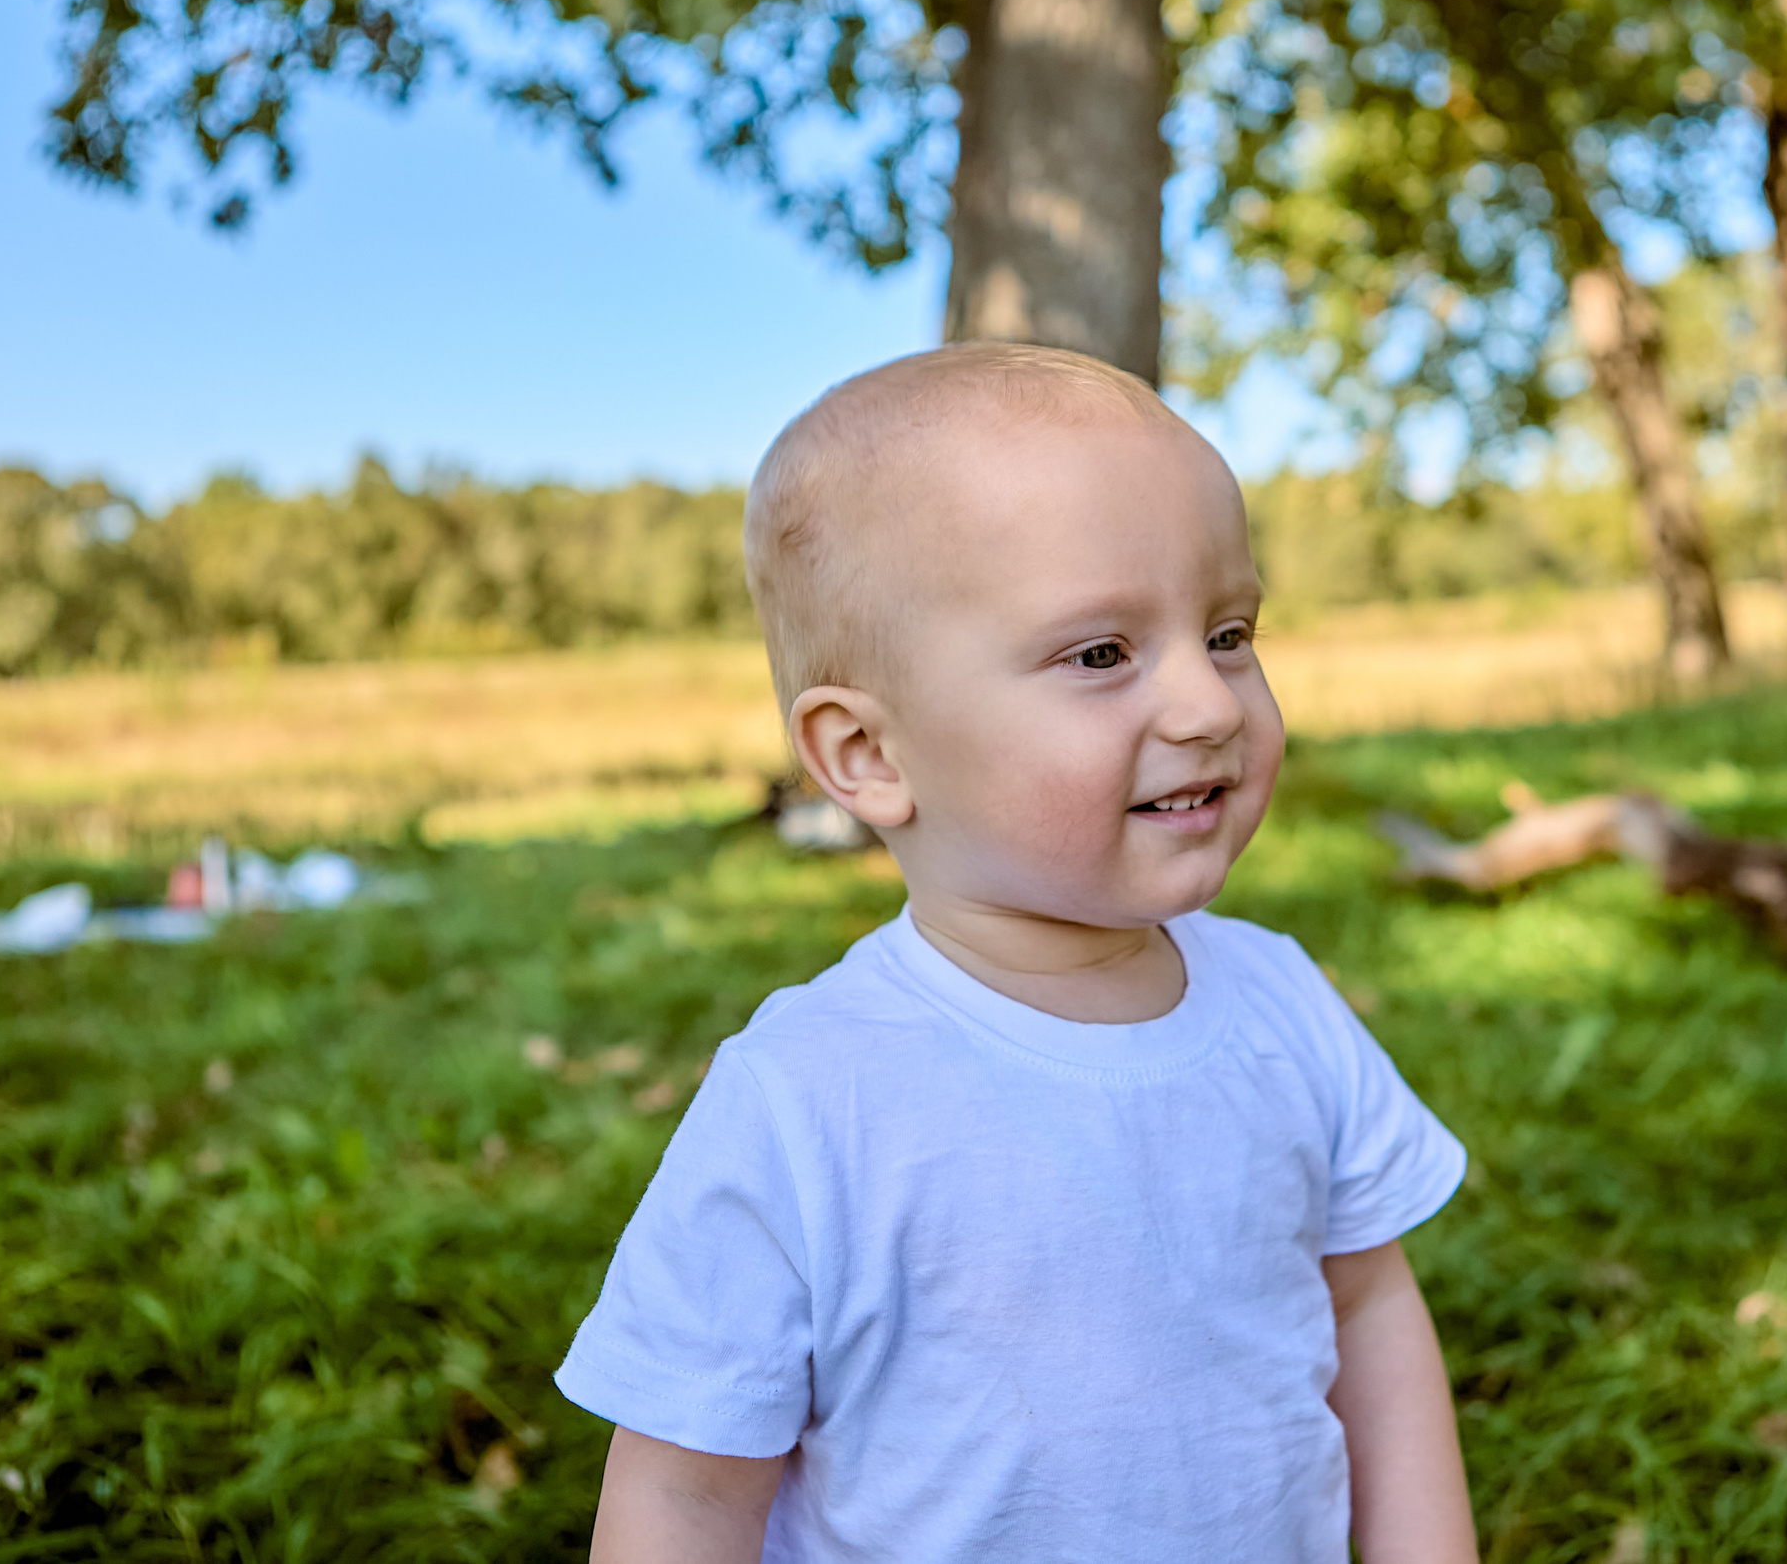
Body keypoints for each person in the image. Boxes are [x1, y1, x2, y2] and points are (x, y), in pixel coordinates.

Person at [556, 343, 1477, 1563]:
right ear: (870, 759)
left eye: (1229, 632)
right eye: (1100, 654)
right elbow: (683, 1494)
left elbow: (1367, 1310)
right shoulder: (807, 1100)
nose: (1208, 706)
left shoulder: (1280, 1005)